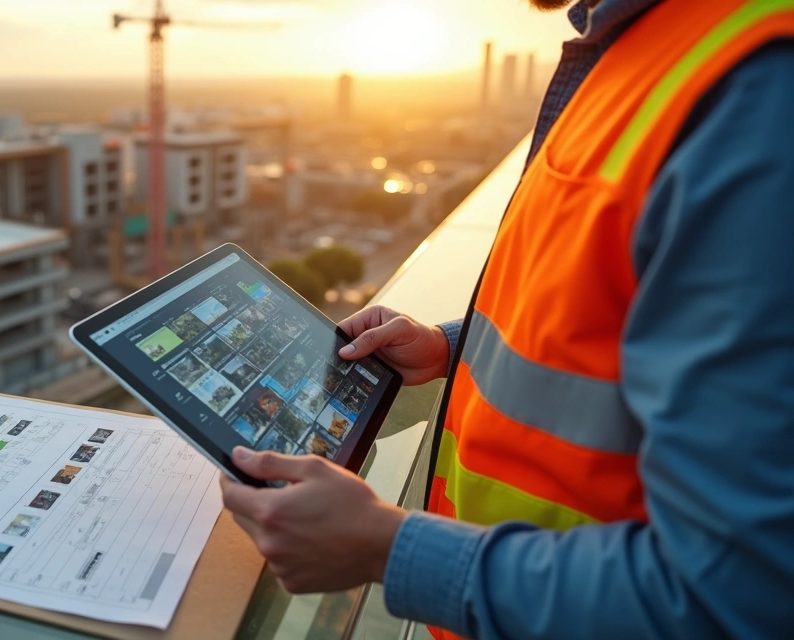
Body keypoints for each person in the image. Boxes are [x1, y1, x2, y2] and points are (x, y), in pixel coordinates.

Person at [219, 0, 794, 638]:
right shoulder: (645, 53)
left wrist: (388, 549)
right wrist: (451, 348)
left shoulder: (756, 95)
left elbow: (742, 597)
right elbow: (622, 308)